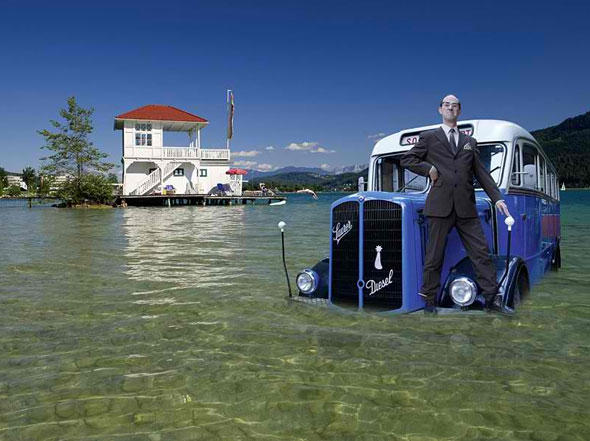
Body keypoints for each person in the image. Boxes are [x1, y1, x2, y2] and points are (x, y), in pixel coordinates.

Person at [401, 95, 511, 314]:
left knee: (480, 252)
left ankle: (492, 299)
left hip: (466, 207)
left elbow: (481, 173)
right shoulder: (429, 137)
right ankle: (429, 301)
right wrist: (428, 169)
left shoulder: (470, 142)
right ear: (440, 109)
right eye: (447, 105)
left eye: (455, 105)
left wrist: (497, 198)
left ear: (459, 110)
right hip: (439, 206)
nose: (451, 108)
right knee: (434, 257)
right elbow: (408, 159)